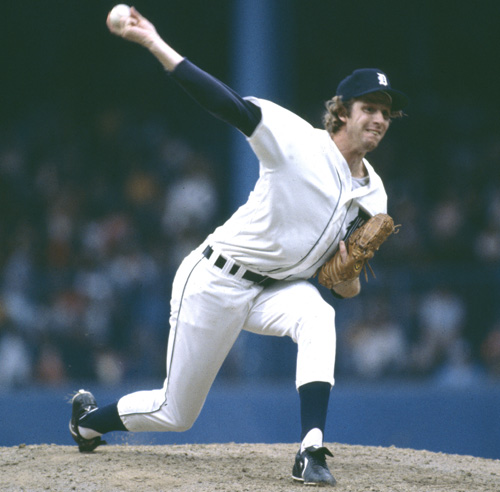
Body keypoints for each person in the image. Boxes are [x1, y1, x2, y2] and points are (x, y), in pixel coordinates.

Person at [69, 7, 409, 487]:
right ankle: (87, 421)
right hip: (215, 278)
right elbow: (226, 103)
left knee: (319, 314)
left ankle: (311, 449)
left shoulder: (375, 196)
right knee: (175, 412)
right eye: (369, 108)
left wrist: (349, 270)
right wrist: (154, 43)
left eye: (386, 112)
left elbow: (345, 290)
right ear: (342, 112)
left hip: (274, 291)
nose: (379, 118)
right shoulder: (295, 141)